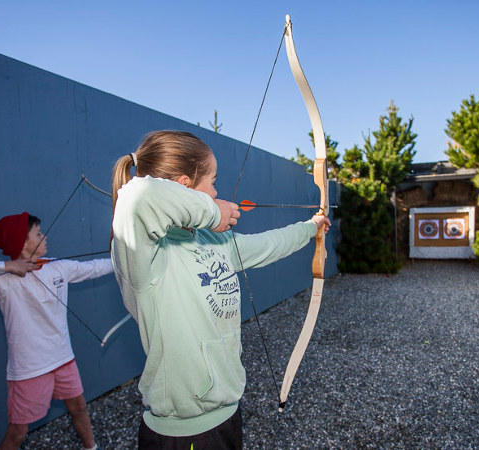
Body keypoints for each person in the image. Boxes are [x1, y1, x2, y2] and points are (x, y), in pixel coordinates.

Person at [110, 130, 331, 449]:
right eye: (212, 181)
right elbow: (136, 197)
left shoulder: (211, 241)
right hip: (182, 433)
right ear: (185, 185)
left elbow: (267, 244)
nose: (216, 190)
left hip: (226, 414)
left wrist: (311, 228)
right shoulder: (143, 253)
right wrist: (212, 211)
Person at [0, 212, 113, 450]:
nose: (45, 236)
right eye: (38, 233)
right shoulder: (2, 280)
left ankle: (91, 447)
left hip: (63, 358)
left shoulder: (57, 268)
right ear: (23, 243)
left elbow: (95, 268)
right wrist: (7, 265)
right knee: (17, 432)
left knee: (79, 407)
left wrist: (127, 261)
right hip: (30, 368)